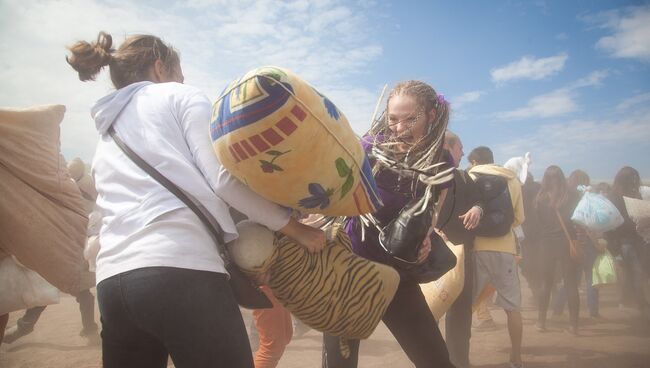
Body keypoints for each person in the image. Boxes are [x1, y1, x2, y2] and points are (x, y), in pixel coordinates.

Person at [66, 31, 325, 368]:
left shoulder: (106, 133)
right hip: (182, 272)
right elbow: (223, 181)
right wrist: (297, 230)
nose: (183, 78)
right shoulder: (179, 96)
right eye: (179, 71)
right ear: (160, 68)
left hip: (114, 283)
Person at [322, 80, 454, 368]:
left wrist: (427, 237)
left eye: (410, 119)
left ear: (431, 116)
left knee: (435, 360)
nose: (399, 128)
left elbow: (430, 211)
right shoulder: (368, 147)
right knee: (339, 365)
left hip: (398, 275)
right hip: (350, 270)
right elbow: (335, 190)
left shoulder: (440, 161)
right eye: (393, 119)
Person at [467, 146, 525, 368]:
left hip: (477, 248)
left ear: (474, 161)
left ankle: (463, 357)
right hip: (505, 249)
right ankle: (517, 359)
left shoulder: (470, 176)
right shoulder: (512, 180)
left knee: (466, 307)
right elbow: (519, 217)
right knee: (513, 308)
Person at [437, 130, 483, 368]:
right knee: (426, 310)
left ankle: (459, 361)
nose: (463, 152)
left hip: (462, 254)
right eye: (459, 147)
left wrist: (477, 209)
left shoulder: (464, 178)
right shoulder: (425, 174)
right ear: (446, 146)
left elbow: (478, 200)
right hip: (430, 253)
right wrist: (432, 232)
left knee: (461, 312)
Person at [533, 166, 580, 335]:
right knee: (571, 284)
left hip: (546, 244)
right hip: (567, 243)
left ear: (545, 178)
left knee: (546, 284)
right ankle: (573, 326)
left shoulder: (540, 198)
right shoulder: (573, 195)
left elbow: (537, 223)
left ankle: (541, 322)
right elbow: (579, 220)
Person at [552, 170, 602, 320]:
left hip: (573, 243)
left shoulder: (566, 199)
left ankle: (558, 308)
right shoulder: (589, 199)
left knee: (571, 279)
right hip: (589, 243)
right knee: (591, 279)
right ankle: (593, 311)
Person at [605, 167, 649, 323]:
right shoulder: (617, 197)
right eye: (632, 179)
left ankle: (630, 303)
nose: (635, 182)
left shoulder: (621, 195)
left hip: (635, 240)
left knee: (633, 274)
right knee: (636, 273)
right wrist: (615, 250)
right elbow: (612, 225)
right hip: (625, 242)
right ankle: (640, 305)